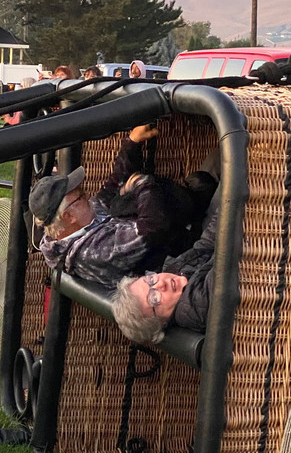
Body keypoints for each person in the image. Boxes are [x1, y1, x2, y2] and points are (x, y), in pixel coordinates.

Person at [30, 124, 216, 288]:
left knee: (216, 162)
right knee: (228, 174)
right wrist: (141, 183)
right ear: (69, 216)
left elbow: (109, 191)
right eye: (81, 196)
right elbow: (153, 227)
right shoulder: (95, 252)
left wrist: (132, 144)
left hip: (184, 223)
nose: (87, 196)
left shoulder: (79, 225)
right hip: (194, 254)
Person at [111, 206, 218, 345]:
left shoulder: (176, 272)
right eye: (154, 298)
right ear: (161, 322)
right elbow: (230, 258)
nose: (160, 284)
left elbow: (204, 246)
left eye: (150, 280)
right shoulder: (196, 306)